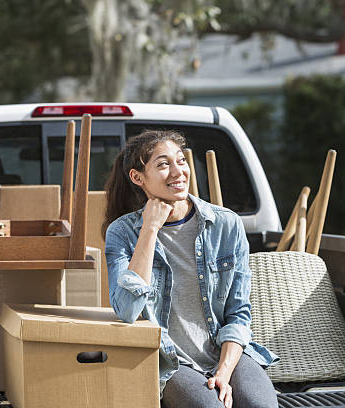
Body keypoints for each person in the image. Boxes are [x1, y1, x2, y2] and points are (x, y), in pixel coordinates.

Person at [102, 130, 279, 408]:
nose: (178, 172)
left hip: (226, 350)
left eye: (181, 160)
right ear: (138, 177)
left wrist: (224, 371)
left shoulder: (227, 224)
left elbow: (239, 313)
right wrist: (149, 229)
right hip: (170, 361)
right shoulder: (122, 233)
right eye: (163, 165)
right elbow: (126, 310)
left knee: (261, 405)